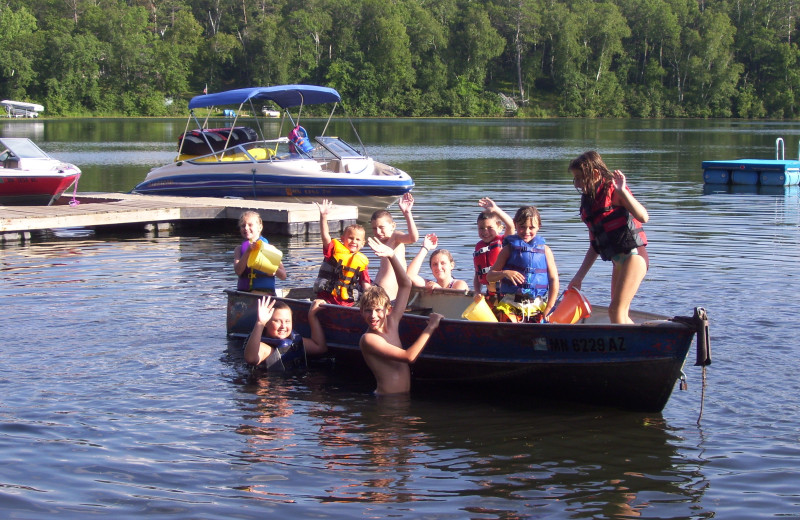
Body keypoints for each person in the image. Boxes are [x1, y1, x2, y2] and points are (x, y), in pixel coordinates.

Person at [567, 150, 649, 324]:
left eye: (580, 178)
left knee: (615, 311)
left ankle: (629, 350)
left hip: (634, 257)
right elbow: (594, 247)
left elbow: (643, 217)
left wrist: (623, 191)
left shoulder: (614, 191)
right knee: (619, 314)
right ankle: (640, 346)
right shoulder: (589, 203)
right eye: (575, 178)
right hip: (618, 262)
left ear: (595, 174)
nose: (577, 183)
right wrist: (578, 277)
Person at [358, 236, 443, 395]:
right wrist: (430, 327)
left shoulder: (393, 321)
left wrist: (391, 255)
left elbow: (405, 284)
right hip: (386, 402)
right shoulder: (369, 339)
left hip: (401, 401)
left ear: (388, 310)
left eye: (377, 310)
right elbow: (409, 357)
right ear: (361, 312)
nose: (373, 316)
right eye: (368, 310)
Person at [486, 206, 559, 322]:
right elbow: (490, 276)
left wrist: (550, 306)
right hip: (511, 305)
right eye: (522, 227)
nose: (526, 231)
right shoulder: (508, 249)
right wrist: (505, 273)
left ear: (539, 226)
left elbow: (554, 279)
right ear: (515, 224)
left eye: (532, 227)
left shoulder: (545, 251)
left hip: (537, 306)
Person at [243, 296, 327, 371]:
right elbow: (251, 359)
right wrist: (260, 323)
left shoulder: (293, 341)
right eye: (277, 321)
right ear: (266, 323)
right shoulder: (264, 348)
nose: (283, 326)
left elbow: (319, 347)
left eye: (287, 321)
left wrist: (312, 316)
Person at [312, 199, 371, 306]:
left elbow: (365, 283)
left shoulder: (362, 261)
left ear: (363, 243)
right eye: (350, 238)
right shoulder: (333, 250)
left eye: (358, 240)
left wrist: (372, 297)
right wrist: (323, 217)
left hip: (347, 303)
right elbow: (325, 237)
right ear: (343, 239)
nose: (354, 241)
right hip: (326, 299)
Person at [371, 192, 419, 301]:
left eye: (381, 227)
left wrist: (407, 213)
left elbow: (413, 238)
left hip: (387, 296)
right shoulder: (382, 243)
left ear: (393, 226)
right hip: (377, 290)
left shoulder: (395, 237)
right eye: (374, 228)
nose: (378, 231)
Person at [234, 210, 287, 293]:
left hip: (264, 293)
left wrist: (272, 269)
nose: (246, 228)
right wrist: (247, 252)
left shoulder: (270, 248)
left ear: (260, 227)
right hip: (244, 293)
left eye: (250, 225)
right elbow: (238, 271)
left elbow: (283, 276)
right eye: (243, 226)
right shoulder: (239, 249)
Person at [473, 197, 515, 295]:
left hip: (506, 294)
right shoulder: (479, 247)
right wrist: (477, 291)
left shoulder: (504, 241)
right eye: (481, 228)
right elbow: (477, 274)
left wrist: (496, 210)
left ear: (500, 228)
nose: (485, 232)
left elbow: (511, 225)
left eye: (490, 228)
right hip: (489, 293)